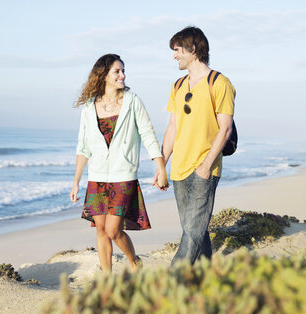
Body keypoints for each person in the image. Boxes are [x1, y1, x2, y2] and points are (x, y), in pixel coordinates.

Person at [70, 54, 169, 273]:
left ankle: (134, 261)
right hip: (96, 178)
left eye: (123, 71)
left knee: (113, 230)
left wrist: (161, 168)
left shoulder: (132, 101)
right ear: (103, 75)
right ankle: (107, 278)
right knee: (100, 230)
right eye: (117, 71)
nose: (122, 75)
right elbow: (83, 147)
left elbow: (148, 135)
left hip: (123, 175)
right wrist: (76, 181)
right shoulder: (89, 107)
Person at [153, 26, 236, 266]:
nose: (174, 55)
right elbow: (172, 128)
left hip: (204, 168)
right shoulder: (178, 86)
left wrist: (206, 166)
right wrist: (161, 166)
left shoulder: (220, 83)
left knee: (191, 231)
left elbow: (225, 129)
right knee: (196, 230)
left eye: (177, 50)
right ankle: (207, 278)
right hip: (179, 169)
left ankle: (172, 283)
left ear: (193, 49)